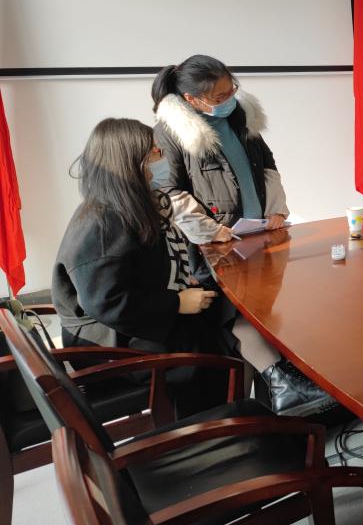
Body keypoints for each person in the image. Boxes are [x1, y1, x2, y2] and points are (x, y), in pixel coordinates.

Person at [150, 55, 333, 414]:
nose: (228, 99)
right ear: (192, 99)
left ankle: (282, 390)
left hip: (257, 233)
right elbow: (170, 191)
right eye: (218, 96)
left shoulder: (239, 114)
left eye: (230, 89)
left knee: (266, 310)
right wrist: (210, 230)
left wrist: (277, 209)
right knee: (235, 313)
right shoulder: (170, 130)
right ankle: (277, 389)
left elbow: (267, 165)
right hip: (215, 243)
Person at [53, 119, 230, 416]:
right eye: (154, 153)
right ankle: (209, 429)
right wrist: (176, 303)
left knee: (218, 314)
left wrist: (180, 287)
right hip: (108, 343)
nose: (161, 159)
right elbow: (108, 302)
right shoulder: (103, 224)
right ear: (129, 163)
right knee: (209, 347)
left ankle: (227, 416)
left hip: (124, 324)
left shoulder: (121, 208)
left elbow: (139, 271)